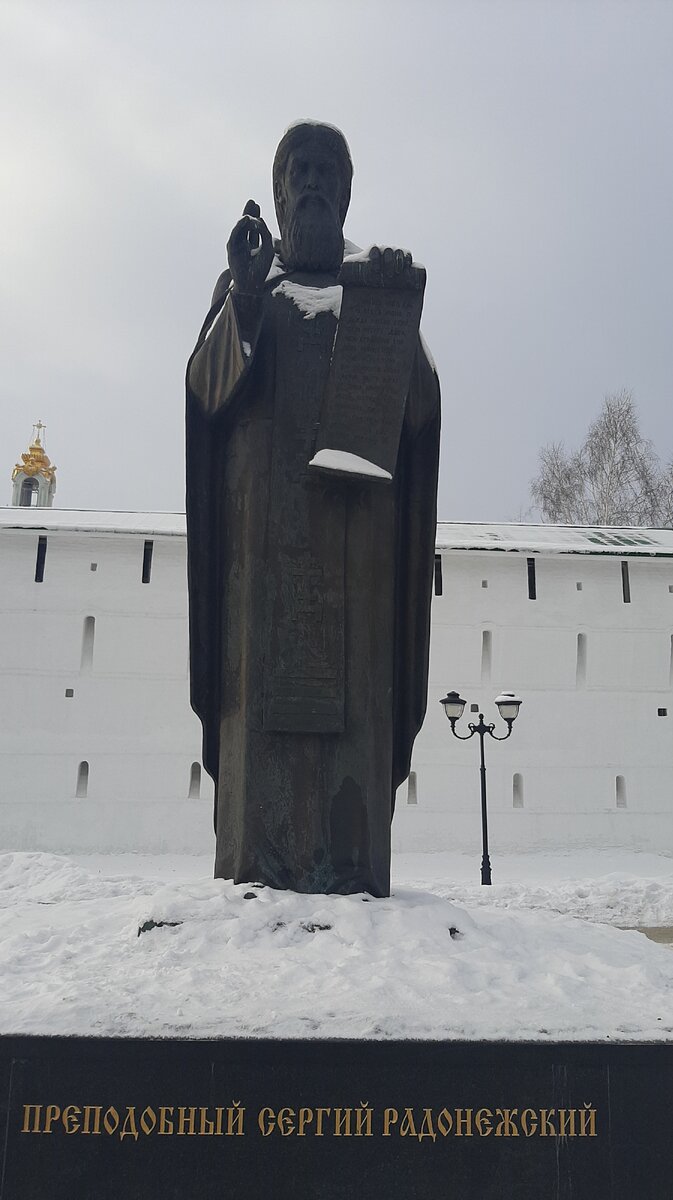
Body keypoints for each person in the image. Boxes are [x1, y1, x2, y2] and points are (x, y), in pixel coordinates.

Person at [186, 121, 440, 897]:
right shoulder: (247, 292)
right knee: (262, 703)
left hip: (356, 570)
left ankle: (350, 865)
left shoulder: (371, 295)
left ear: (347, 190)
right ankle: (258, 866)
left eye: (328, 169)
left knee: (350, 705)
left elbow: (420, 417)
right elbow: (204, 393)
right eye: (299, 169)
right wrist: (241, 301)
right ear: (277, 190)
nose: (314, 181)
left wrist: (394, 319)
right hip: (258, 559)